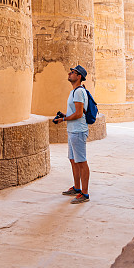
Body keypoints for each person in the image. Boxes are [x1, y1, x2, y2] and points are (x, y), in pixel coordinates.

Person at [53, 65, 90, 204]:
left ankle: (85, 194)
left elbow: (79, 114)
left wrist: (63, 119)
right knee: (73, 160)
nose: (69, 74)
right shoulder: (74, 91)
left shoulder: (79, 92)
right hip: (72, 130)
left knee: (81, 161)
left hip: (78, 131)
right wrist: (65, 115)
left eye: (72, 72)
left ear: (79, 76)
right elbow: (75, 112)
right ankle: (77, 188)